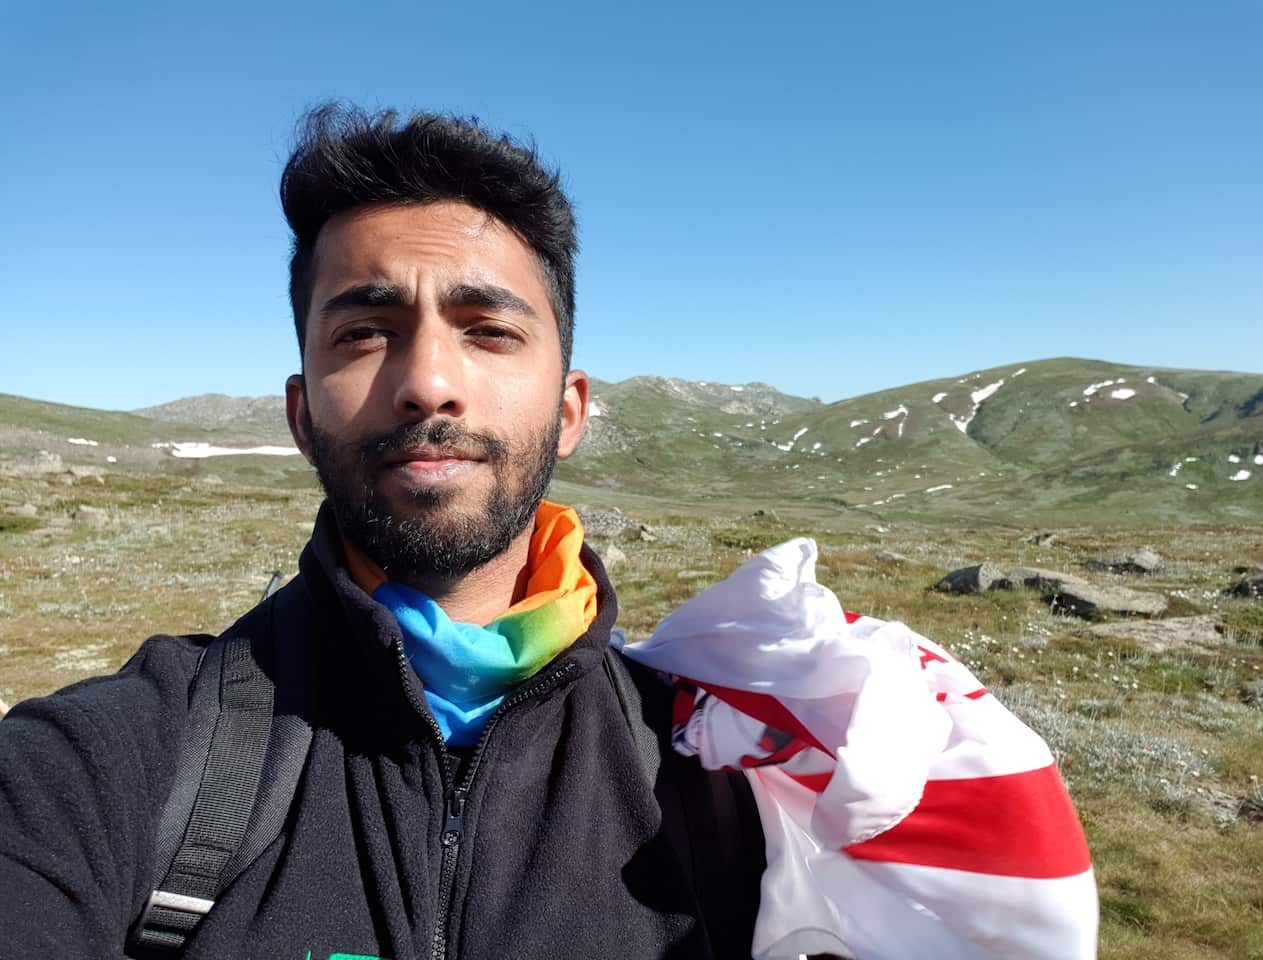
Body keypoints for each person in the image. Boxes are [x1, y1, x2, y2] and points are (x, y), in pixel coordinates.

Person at [0, 105, 764, 959]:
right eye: (364, 333)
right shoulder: (102, 764)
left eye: (490, 331)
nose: (429, 383)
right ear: (300, 413)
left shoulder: (727, 775)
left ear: (570, 410)